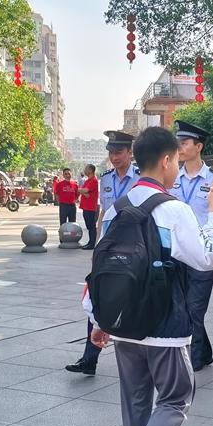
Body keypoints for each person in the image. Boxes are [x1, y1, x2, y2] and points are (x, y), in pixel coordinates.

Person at [86, 126, 213, 426]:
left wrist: (96, 319)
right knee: (177, 396)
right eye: (176, 162)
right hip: (164, 324)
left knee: (135, 400)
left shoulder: (117, 207)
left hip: (123, 323)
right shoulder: (173, 209)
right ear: (167, 161)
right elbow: (209, 258)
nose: (177, 169)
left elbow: (100, 265)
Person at [65, 130, 139, 376]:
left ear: (130, 152)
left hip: (133, 248)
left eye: (119, 152)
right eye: (111, 153)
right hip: (108, 248)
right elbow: (103, 213)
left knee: (132, 302)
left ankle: (137, 362)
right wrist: (97, 245)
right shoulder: (106, 180)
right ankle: (89, 359)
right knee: (97, 299)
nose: (114, 157)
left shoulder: (141, 178)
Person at [170, 120, 213, 372]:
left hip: (204, 252)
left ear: (198, 147)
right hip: (177, 252)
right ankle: (205, 351)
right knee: (184, 306)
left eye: (185, 143)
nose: (179, 147)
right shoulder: (171, 179)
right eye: (178, 143)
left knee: (195, 308)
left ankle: (195, 359)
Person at [78, 164, 99, 250]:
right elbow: (82, 191)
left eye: (86, 169)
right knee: (89, 226)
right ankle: (90, 242)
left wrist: (82, 191)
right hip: (86, 207)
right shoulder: (87, 181)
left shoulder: (93, 180)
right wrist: (83, 192)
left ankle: (92, 244)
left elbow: (85, 190)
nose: (84, 170)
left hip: (90, 207)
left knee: (91, 226)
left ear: (90, 170)